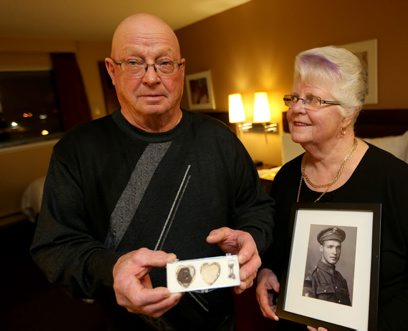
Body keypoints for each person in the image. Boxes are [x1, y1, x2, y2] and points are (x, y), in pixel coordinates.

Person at [30, 13, 274, 331]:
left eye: (164, 63)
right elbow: (55, 246)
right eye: (134, 62)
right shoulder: (76, 149)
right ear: (112, 71)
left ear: (181, 70)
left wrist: (252, 237)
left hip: (219, 322)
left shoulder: (219, 137)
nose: (151, 77)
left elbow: (257, 207)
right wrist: (112, 267)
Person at [255, 46, 408, 330]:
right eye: (294, 97)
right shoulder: (286, 177)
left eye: (313, 100)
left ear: (348, 114)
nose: (295, 108)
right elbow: (280, 250)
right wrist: (267, 271)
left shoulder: (395, 180)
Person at [305, 227, 351, 306]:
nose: (335, 252)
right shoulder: (310, 278)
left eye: (338, 247)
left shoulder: (341, 279)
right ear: (321, 248)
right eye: (330, 247)